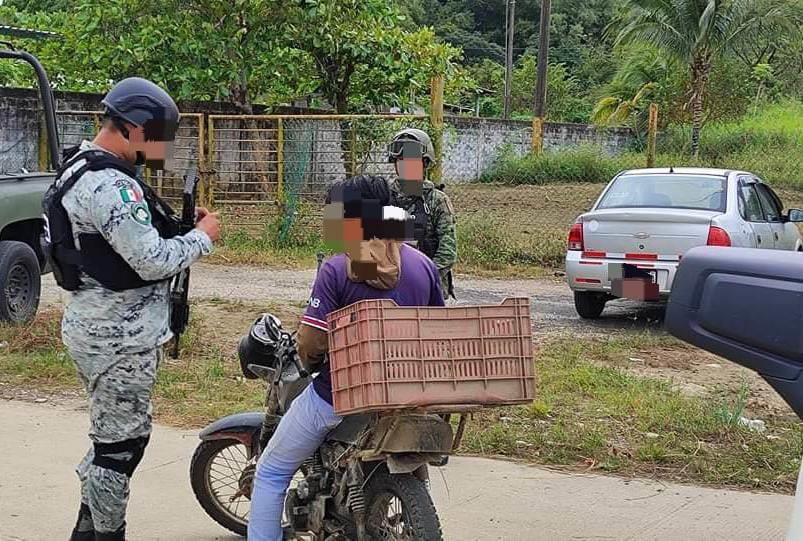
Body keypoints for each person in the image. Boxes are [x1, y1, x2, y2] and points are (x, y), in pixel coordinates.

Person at [44, 78, 221, 541]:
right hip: (117, 341)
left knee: (118, 438)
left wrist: (179, 225)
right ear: (134, 129)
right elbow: (151, 260)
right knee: (118, 450)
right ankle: (106, 533)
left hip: (104, 330)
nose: (162, 148)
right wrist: (204, 237)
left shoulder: (81, 168)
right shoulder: (110, 186)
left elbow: (126, 243)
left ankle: (89, 525)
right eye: (159, 137)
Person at [247, 175, 445, 540]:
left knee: (272, 471)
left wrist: (310, 361)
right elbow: (437, 326)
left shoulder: (340, 268)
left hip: (342, 395)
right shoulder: (421, 265)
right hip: (409, 395)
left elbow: (311, 341)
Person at [387, 128, 457, 300]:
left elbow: (448, 251)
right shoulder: (384, 196)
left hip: (429, 286)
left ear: (424, 163)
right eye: (400, 160)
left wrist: (423, 276)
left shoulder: (437, 200)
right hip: (389, 284)